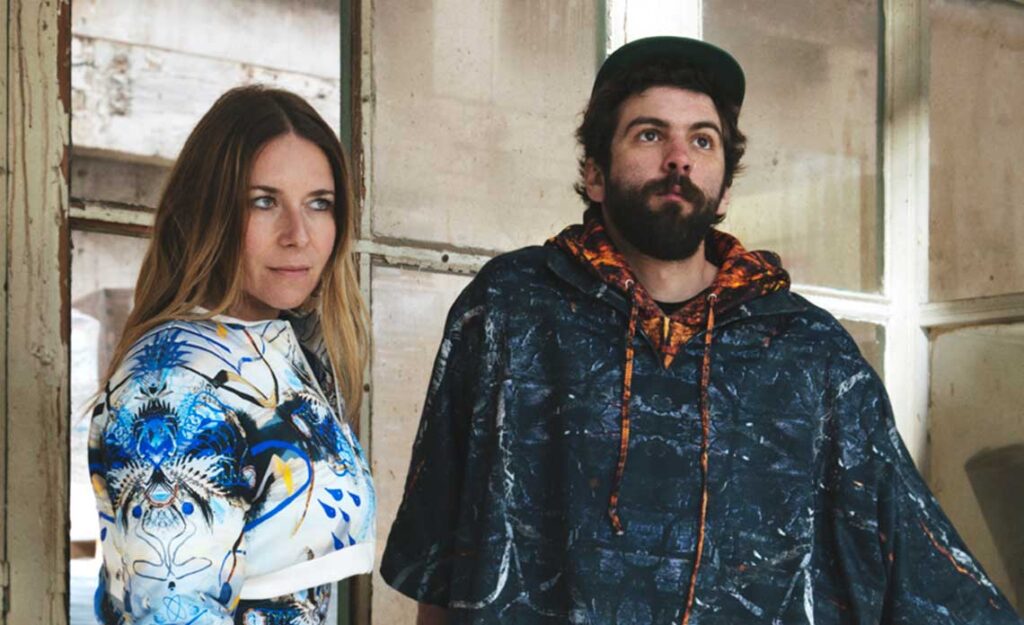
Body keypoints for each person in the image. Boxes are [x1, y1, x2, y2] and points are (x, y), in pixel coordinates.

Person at [380, 37, 1023, 624]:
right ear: (595, 173)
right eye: (649, 134)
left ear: (725, 188)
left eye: (703, 141)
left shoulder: (807, 352)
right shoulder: (511, 310)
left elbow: (914, 555)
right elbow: (440, 555)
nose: (679, 159)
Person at [88, 86, 375, 625]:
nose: (298, 235)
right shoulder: (174, 379)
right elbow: (171, 611)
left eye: (319, 203)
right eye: (263, 201)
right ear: (207, 211)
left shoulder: (287, 351)